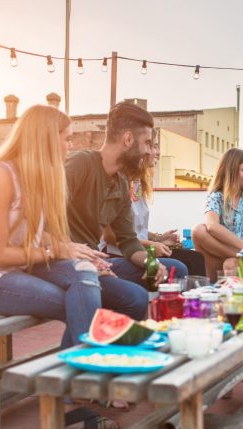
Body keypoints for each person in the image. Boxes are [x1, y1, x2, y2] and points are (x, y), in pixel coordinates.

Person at [0, 105, 120, 429]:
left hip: (21, 270)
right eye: (66, 138)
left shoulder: (40, 176)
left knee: (85, 275)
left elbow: (37, 232)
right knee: (77, 303)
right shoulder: (0, 176)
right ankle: (73, 394)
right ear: (45, 139)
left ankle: (68, 394)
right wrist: (54, 250)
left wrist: (72, 250)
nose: (69, 146)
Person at [65, 102, 188, 321]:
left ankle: (149, 337)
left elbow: (128, 241)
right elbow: (42, 216)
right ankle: (97, 346)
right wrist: (81, 258)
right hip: (64, 260)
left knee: (174, 270)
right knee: (135, 298)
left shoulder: (121, 183)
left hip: (96, 260)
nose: (150, 151)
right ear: (128, 139)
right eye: (147, 143)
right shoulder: (80, 164)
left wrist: (151, 263)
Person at [103, 128, 207, 277]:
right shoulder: (116, 180)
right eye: (153, 146)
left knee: (195, 258)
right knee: (180, 267)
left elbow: (133, 229)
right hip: (118, 254)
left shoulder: (138, 182)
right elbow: (111, 236)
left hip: (139, 248)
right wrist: (151, 245)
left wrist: (158, 238)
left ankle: (195, 299)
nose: (157, 152)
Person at [192, 148, 243, 282]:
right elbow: (211, 226)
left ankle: (235, 294)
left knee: (231, 263)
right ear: (231, 172)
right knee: (198, 230)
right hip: (219, 257)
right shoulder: (216, 198)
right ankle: (242, 256)